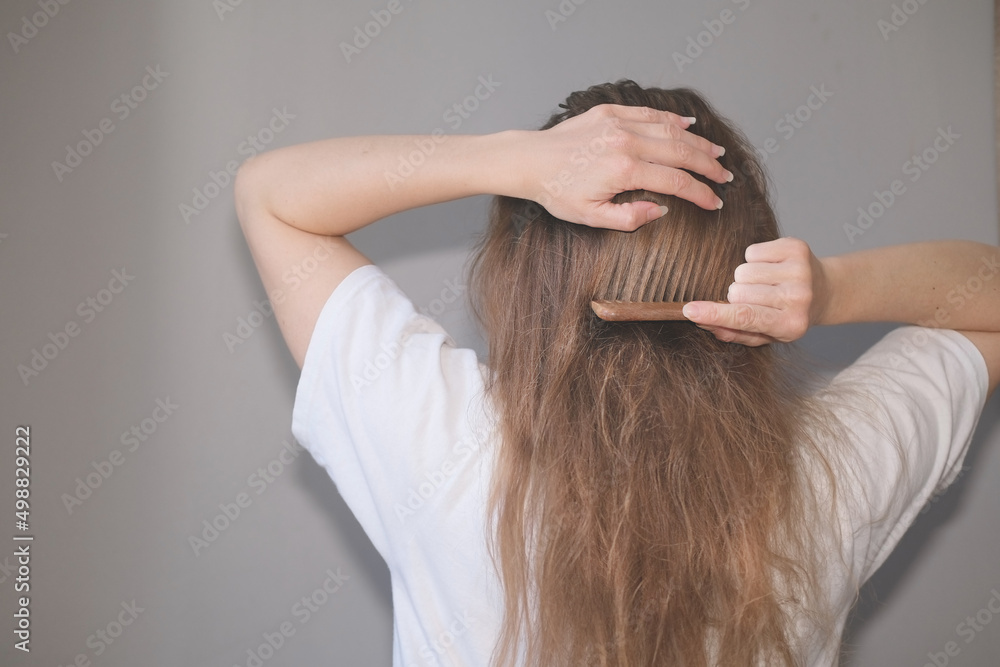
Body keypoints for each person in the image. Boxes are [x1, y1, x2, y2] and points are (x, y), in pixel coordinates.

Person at [234, 80, 999, 666]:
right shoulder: (833, 469)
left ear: (518, 273)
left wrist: (509, 159)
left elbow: (271, 198)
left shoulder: (438, 441)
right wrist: (834, 287)